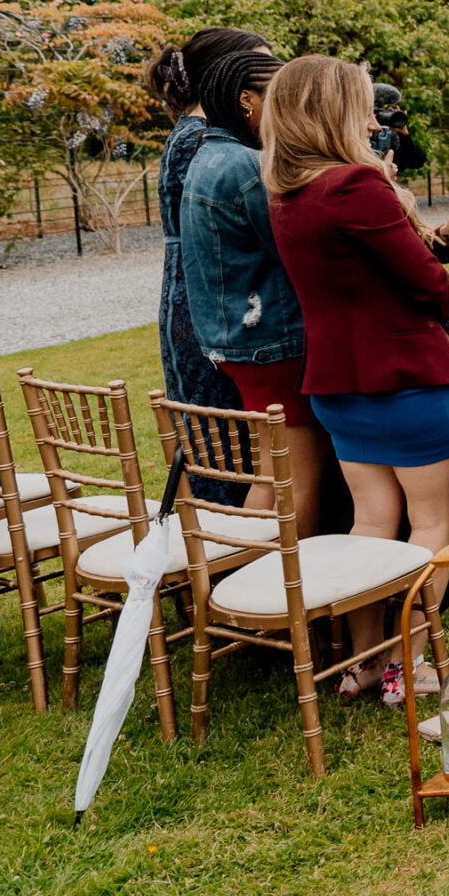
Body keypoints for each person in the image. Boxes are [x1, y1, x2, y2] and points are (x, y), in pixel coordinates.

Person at [264, 56, 449, 704]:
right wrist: (396, 202)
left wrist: (439, 228)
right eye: (362, 105)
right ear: (331, 110)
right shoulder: (354, 186)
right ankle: (405, 665)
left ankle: (361, 661)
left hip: (338, 379)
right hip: (409, 374)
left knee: (370, 520)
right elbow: (425, 283)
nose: (372, 119)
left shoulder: (286, 193)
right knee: (429, 526)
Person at [178, 50, 333, 534]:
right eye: (280, 96)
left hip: (238, 340)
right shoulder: (247, 165)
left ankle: (245, 574)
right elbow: (294, 246)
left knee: (271, 470)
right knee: (299, 478)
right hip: (273, 339)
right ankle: (285, 593)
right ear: (247, 99)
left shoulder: (209, 154)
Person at [146, 27, 272, 432]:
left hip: (200, 286)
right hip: (210, 294)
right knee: (224, 434)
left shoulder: (195, 132)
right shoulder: (203, 138)